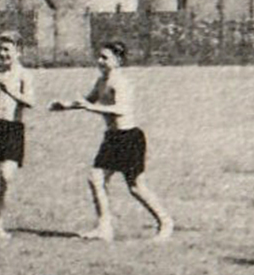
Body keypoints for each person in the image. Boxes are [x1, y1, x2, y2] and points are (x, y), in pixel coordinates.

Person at [50, 39, 173, 242]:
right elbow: (88, 100)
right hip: (112, 138)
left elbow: (121, 109)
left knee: (136, 187)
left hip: (128, 138)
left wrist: (92, 108)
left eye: (105, 58)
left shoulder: (120, 83)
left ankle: (165, 222)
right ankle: (104, 228)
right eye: (99, 56)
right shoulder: (102, 80)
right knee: (95, 178)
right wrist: (65, 105)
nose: (99, 61)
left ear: (117, 61)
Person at [0, 32, 35, 239]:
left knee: (6, 176)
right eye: (1, 49)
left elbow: (30, 102)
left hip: (13, 129)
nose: (3, 54)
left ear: (19, 52)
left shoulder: (24, 75)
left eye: (7, 50)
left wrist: (10, 90)